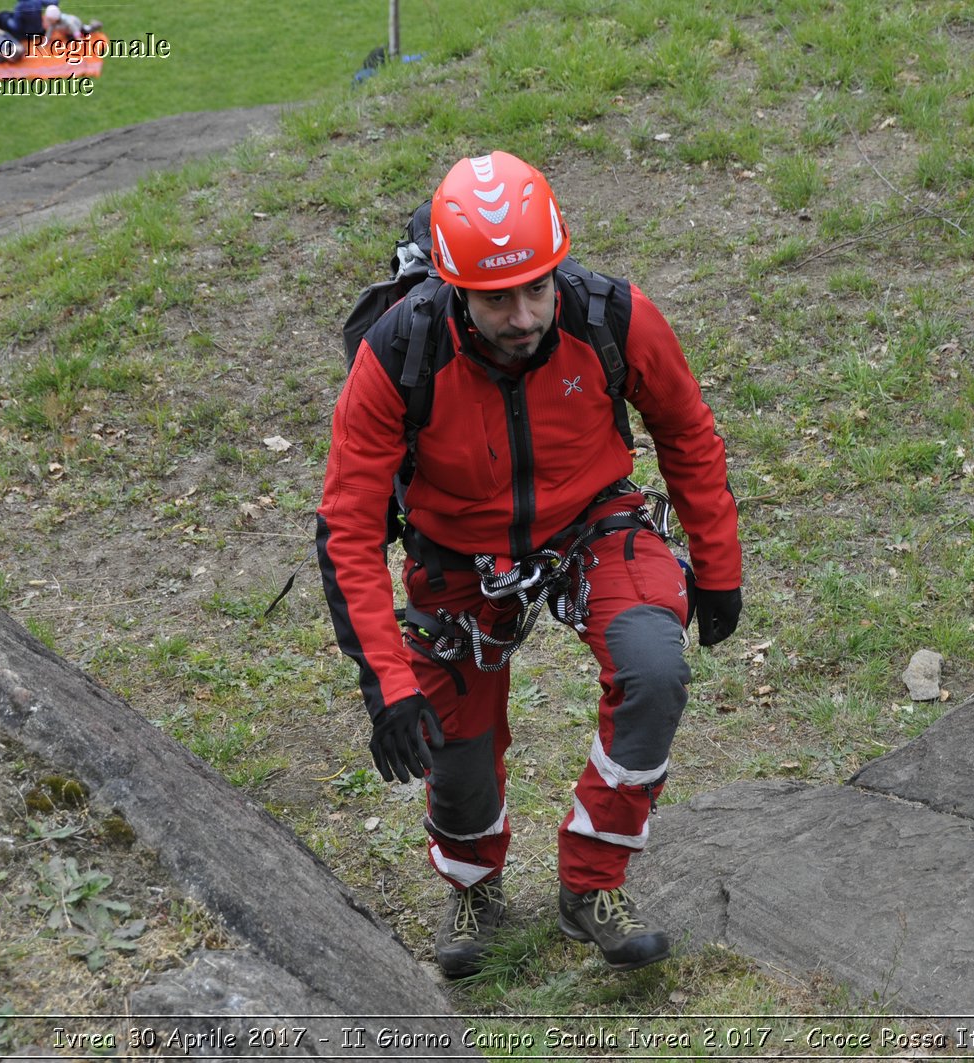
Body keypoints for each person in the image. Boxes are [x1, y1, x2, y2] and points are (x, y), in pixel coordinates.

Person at [316, 151, 743, 978]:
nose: (523, 316)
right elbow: (348, 524)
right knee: (458, 751)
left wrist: (717, 567)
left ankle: (594, 883)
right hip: (455, 554)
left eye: (538, 288)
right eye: (495, 297)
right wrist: (387, 685)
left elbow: (687, 430)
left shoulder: (612, 316)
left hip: (591, 521)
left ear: (558, 268)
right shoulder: (396, 353)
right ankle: (474, 883)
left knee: (656, 667)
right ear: (451, 288)